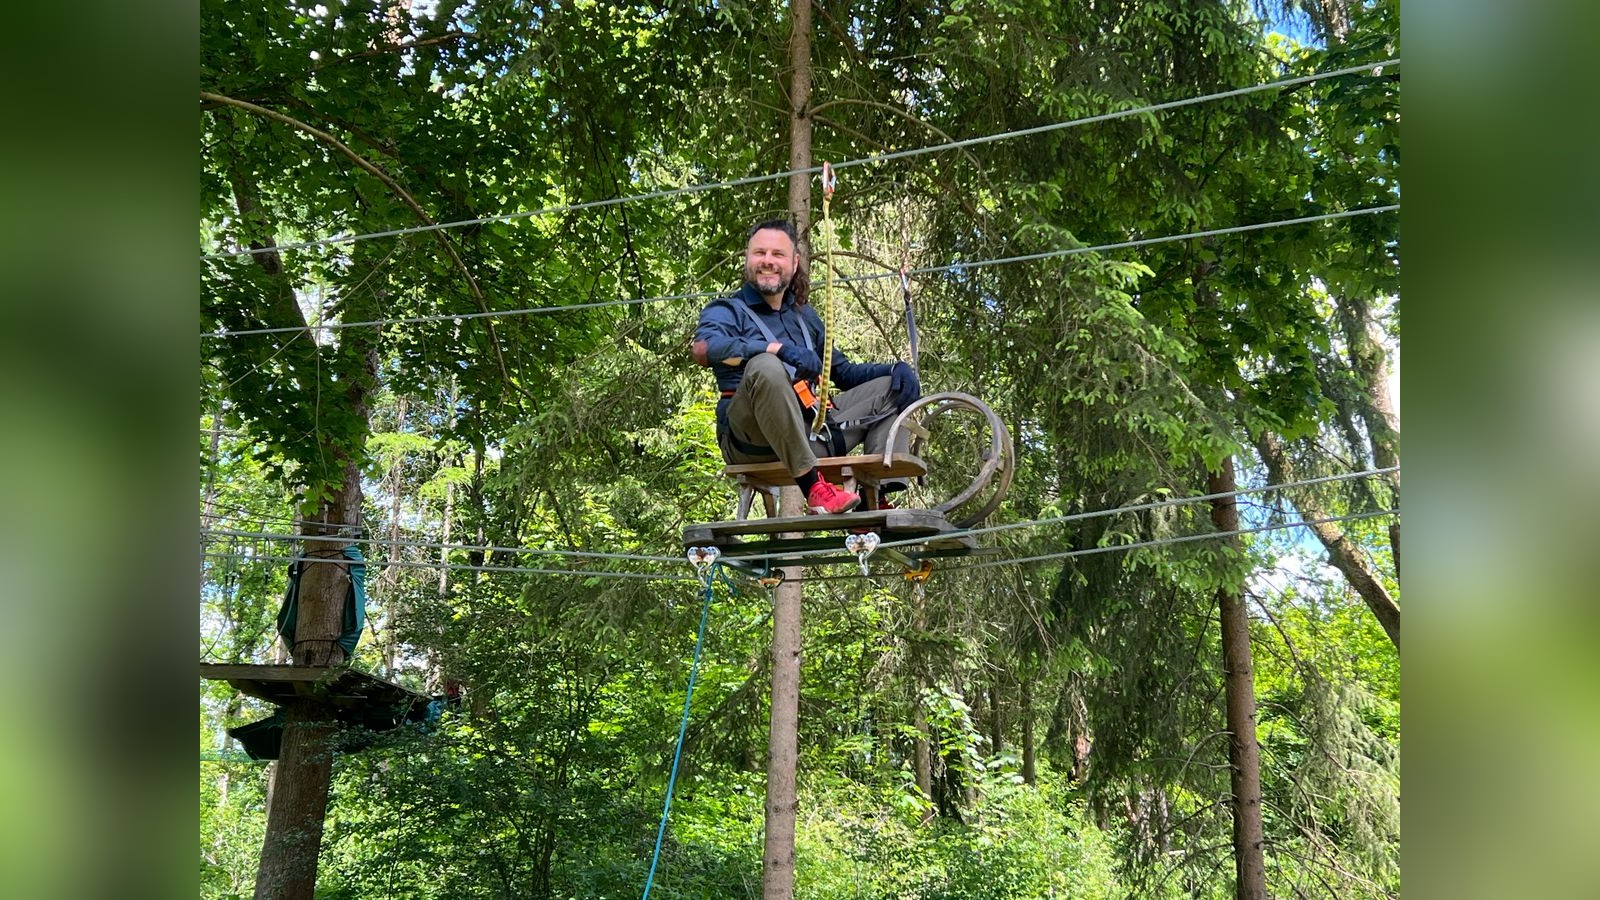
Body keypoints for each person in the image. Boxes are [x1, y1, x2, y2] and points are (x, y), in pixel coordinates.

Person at [692, 219, 921, 515]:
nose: (768, 262)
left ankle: (873, 497)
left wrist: (894, 370)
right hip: (752, 440)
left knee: (895, 386)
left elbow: (843, 373)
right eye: (759, 253)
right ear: (747, 259)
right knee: (766, 366)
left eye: (778, 254)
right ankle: (813, 487)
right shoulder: (727, 310)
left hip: (810, 431)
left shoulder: (804, 317)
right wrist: (776, 350)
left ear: (794, 262)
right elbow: (703, 349)